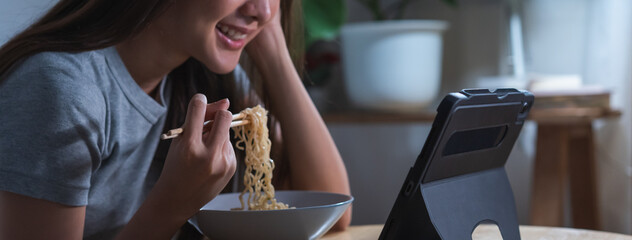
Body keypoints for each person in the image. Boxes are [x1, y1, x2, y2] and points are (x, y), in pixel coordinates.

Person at [0, 0, 351, 239]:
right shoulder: (61, 90)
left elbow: (331, 212)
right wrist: (173, 205)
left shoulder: (198, 76)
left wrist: (272, 48)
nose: (260, 9)